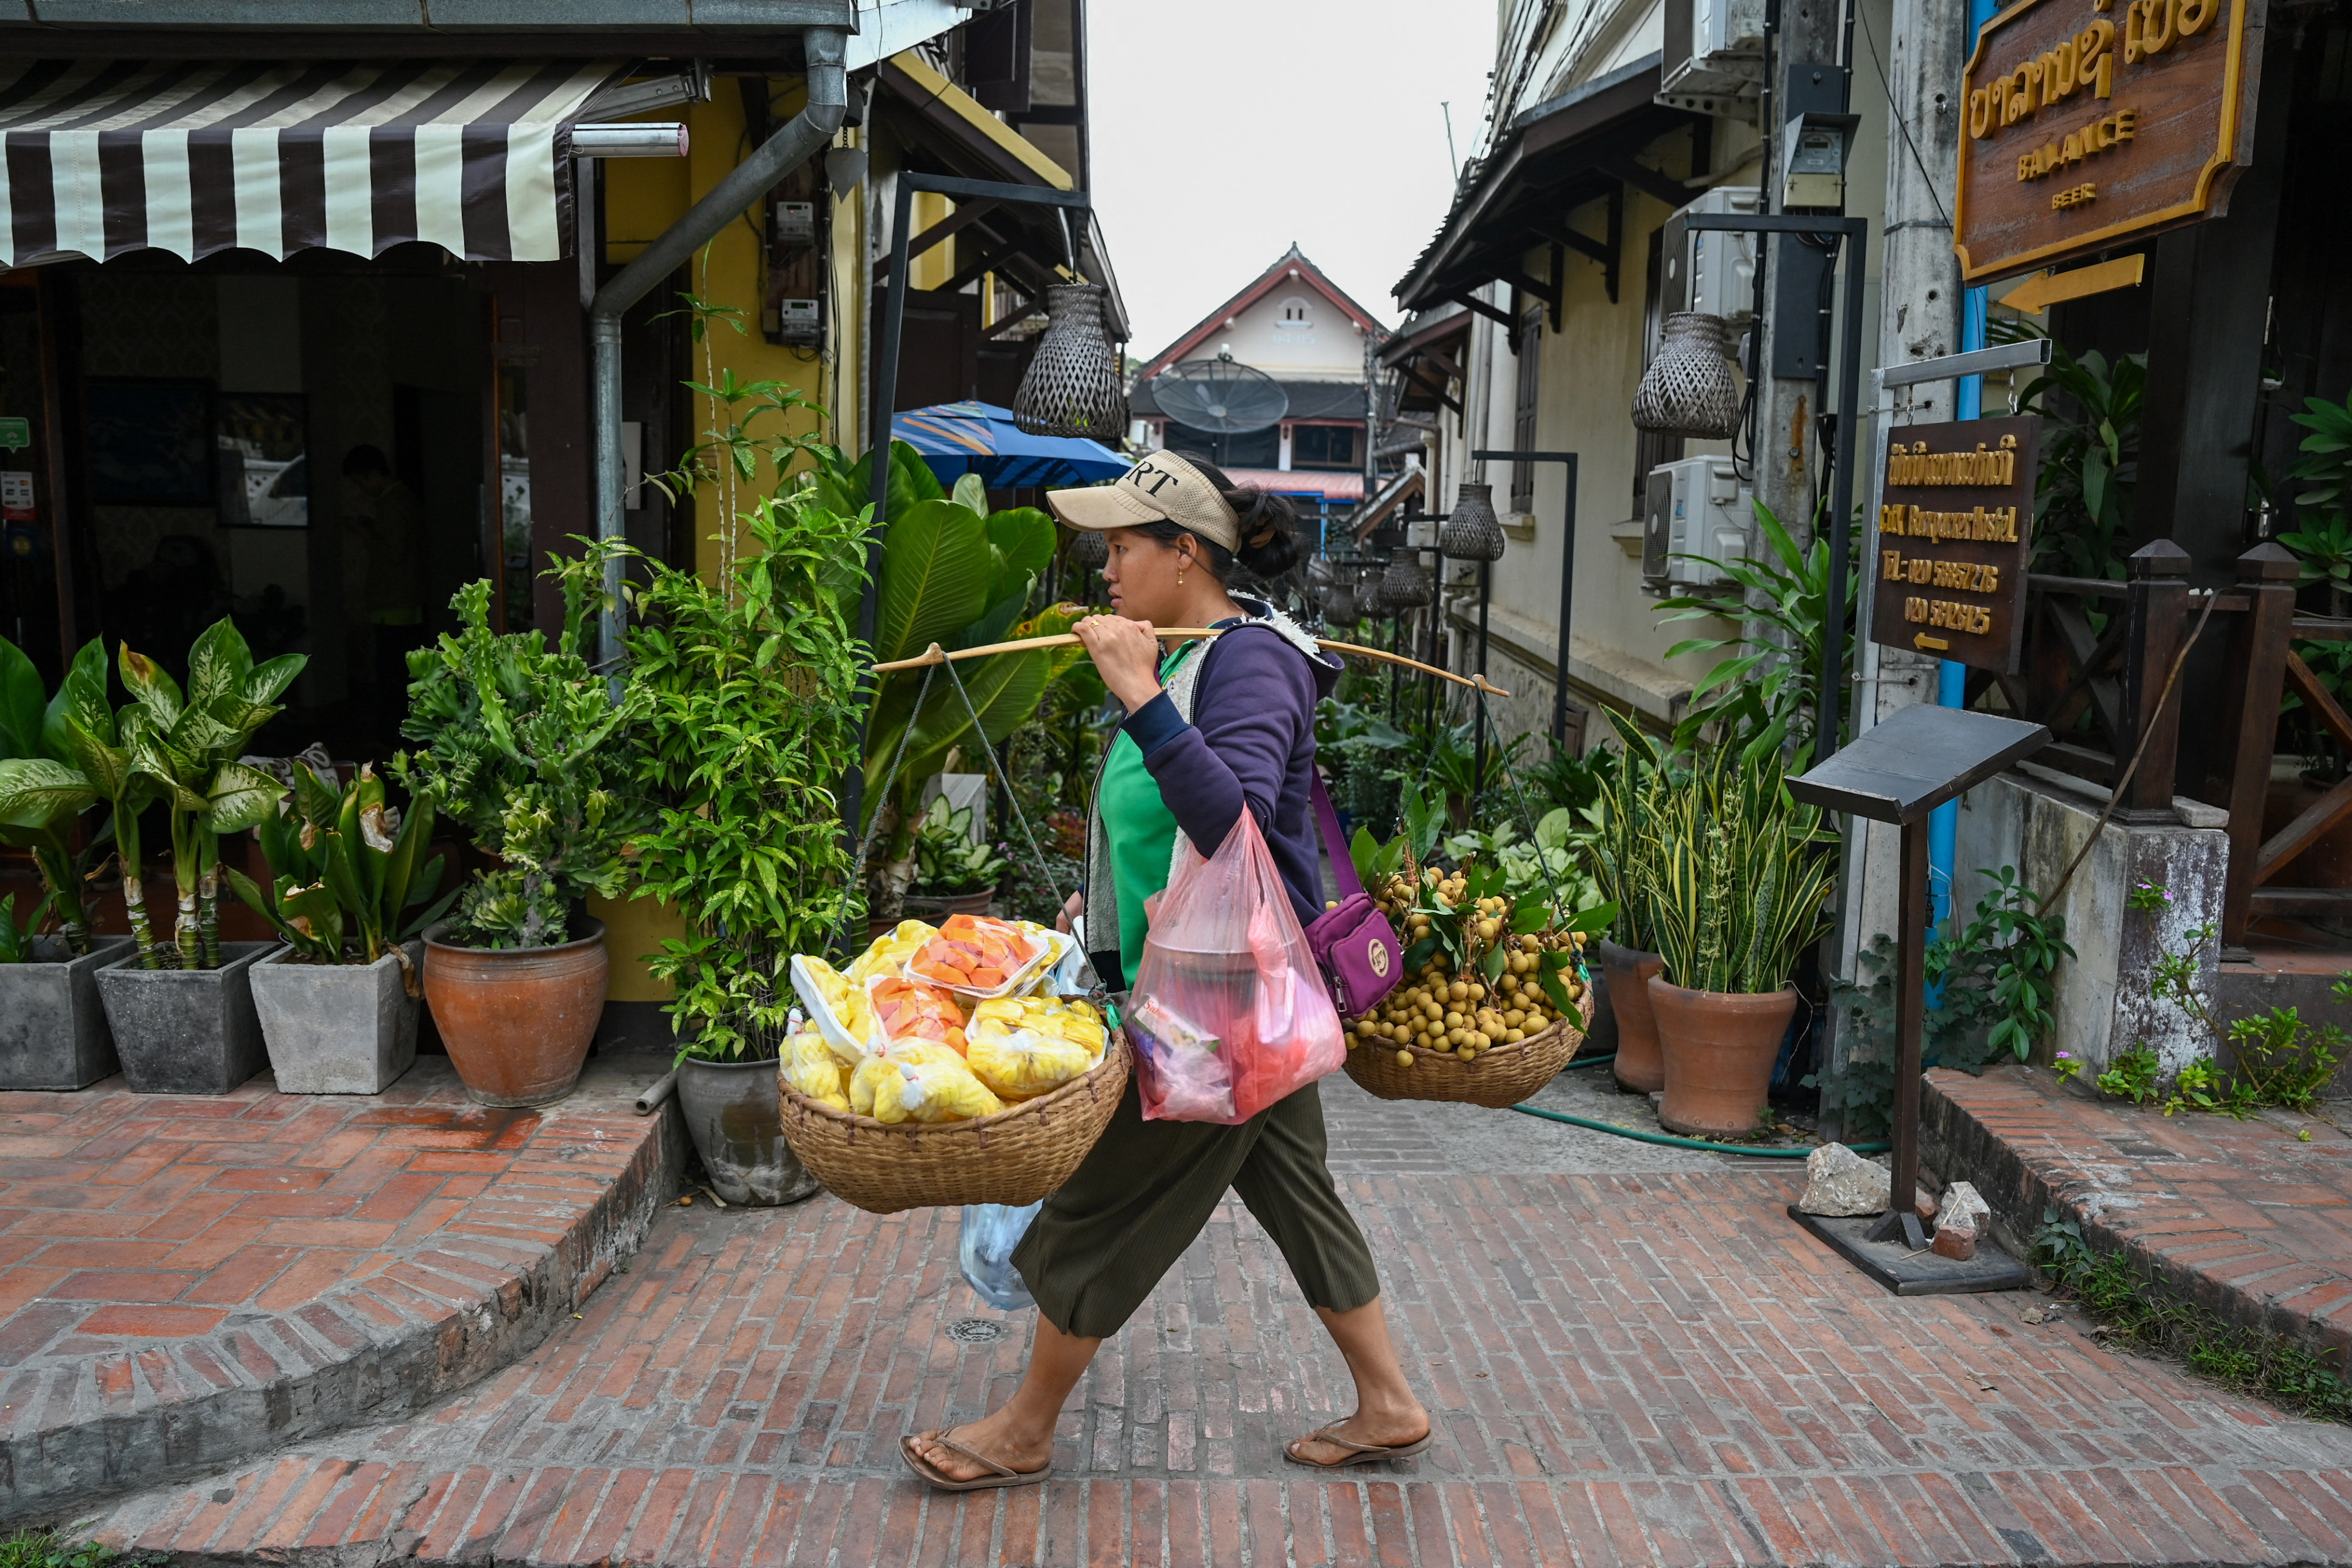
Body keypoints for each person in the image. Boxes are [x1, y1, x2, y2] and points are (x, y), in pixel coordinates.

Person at [900, 450, 1432, 1493]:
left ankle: (1024, 1427)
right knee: (1295, 1190)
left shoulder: (1249, 663)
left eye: (1123, 545)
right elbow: (1159, 829)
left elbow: (1227, 817)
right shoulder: (1198, 658)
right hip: (1223, 988)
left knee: (1103, 1203)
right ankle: (1389, 1403)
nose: (1104, 566)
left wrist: (1138, 691)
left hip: (1218, 1006)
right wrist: (1095, 911)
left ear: (1184, 552)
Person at [339, 444, 425, 733]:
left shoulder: (394, 502)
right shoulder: (400, 500)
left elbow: (394, 552)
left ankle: (392, 733)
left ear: (373, 474)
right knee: (398, 671)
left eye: (360, 481)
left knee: (392, 672)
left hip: (394, 602)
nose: (361, 489)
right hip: (403, 600)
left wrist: (363, 532)